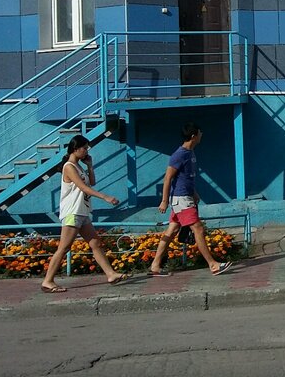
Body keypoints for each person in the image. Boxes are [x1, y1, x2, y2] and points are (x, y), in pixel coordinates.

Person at [41, 135, 129, 293]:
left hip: (82, 211)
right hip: (72, 212)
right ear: (76, 149)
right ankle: (48, 281)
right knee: (64, 248)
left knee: (95, 243)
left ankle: (110, 274)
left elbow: (91, 182)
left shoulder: (79, 166)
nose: (87, 151)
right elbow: (83, 187)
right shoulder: (69, 167)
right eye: (85, 148)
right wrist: (105, 197)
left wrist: (89, 166)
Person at [148, 122, 232, 277]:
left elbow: (186, 177)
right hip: (181, 199)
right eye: (200, 132)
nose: (202, 135)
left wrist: (194, 192)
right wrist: (164, 201)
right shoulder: (179, 155)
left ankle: (155, 265)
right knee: (198, 229)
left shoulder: (190, 153)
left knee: (172, 230)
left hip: (185, 197)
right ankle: (213, 264)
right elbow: (168, 178)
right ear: (193, 136)